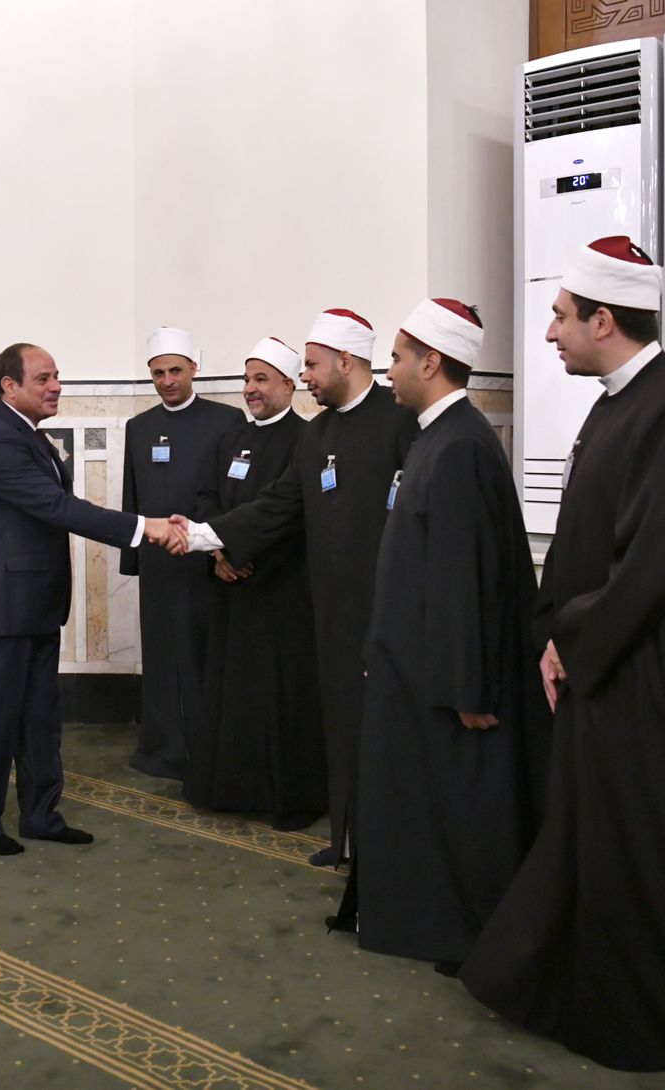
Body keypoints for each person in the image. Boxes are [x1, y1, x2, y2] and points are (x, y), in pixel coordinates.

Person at [460, 237, 665, 1079]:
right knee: (598, 846)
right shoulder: (618, 405)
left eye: (561, 317)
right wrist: (557, 636)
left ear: (604, 320)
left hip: (657, 685)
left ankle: (658, 1022)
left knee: (656, 855)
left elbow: (656, 563)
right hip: (609, 672)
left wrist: (571, 641)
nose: (549, 334)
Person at [327, 298, 550, 971]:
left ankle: (467, 938)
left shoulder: (459, 446)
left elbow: (466, 579)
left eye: (397, 358)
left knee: (464, 811)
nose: (388, 371)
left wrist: (466, 688)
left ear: (431, 362)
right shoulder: (435, 437)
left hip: (445, 683)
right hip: (413, 667)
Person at [173, 309, 418, 866]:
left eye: (310, 365)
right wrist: (205, 537)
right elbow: (277, 506)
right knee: (340, 725)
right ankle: (349, 839)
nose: (305, 375)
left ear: (345, 361)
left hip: (388, 607)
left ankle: (388, 851)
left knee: (384, 730)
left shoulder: (400, 420)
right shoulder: (321, 433)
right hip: (331, 609)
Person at [0, 343, 183, 856]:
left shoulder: (27, 434)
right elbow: (57, 506)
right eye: (43, 378)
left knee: (39, 716)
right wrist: (144, 527)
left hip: (32, 601)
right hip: (0, 605)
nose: (56, 386)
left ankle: (40, 815)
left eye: (57, 376)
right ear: (9, 386)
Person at [185, 337, 325, 828]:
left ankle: (287, 798)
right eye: (247, 379)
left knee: (279, 698)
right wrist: (219, 553)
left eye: (261, 379)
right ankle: (229, 790)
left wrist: (242, 555)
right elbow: (205, 498)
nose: (250, 389)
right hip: (229, 587)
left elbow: (294, 515)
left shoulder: (307, 438)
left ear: (289, 384)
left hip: (279, 589)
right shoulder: (230, 439)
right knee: (232, 693)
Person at [120, 327, 243, 779]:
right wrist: (133, 557)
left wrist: (227, 550)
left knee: (204, 654)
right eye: (158, 373)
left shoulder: (227, 421)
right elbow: (132, 497)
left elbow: (234, 494)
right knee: (160, 654)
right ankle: (162, 748)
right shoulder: (138, 428)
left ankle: (207, 751)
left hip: (206, 561)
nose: (167, 381)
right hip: (157, 564)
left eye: (175, 370)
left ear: (194, 368)